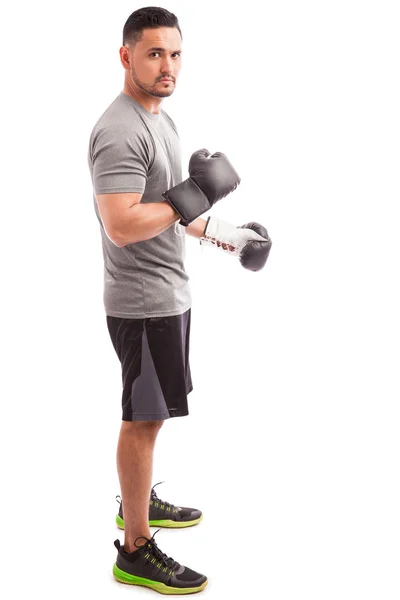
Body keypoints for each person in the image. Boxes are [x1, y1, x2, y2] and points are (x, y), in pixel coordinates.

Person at [87, 6, 271, 595]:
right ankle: (135, 548)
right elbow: (122, 222)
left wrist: (225, 235)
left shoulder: (160, 119)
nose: (168, 66)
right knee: (142, 420)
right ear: (126, 57)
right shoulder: (119, 129)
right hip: (142, 303)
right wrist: (193, 195)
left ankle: (139, 502)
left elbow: (172, 211)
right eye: (154, 54)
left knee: (156, 412)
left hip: (169, 295)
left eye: (175, 54)